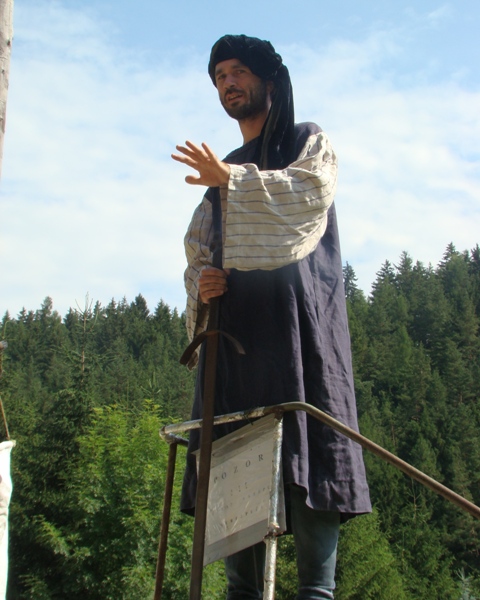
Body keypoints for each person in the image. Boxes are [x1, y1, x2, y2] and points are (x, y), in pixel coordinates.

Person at [172, 34, 371, 600]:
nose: (228, 83)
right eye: (219, 77)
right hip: (235, 349)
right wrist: (204, 281)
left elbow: (308, 194)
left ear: (268, 80)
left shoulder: (305, 141)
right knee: (234, 472)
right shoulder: (224, 169)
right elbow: (200, 249)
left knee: (311, 453)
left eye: (238, 71)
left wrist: (231, 181)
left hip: (298, 334)